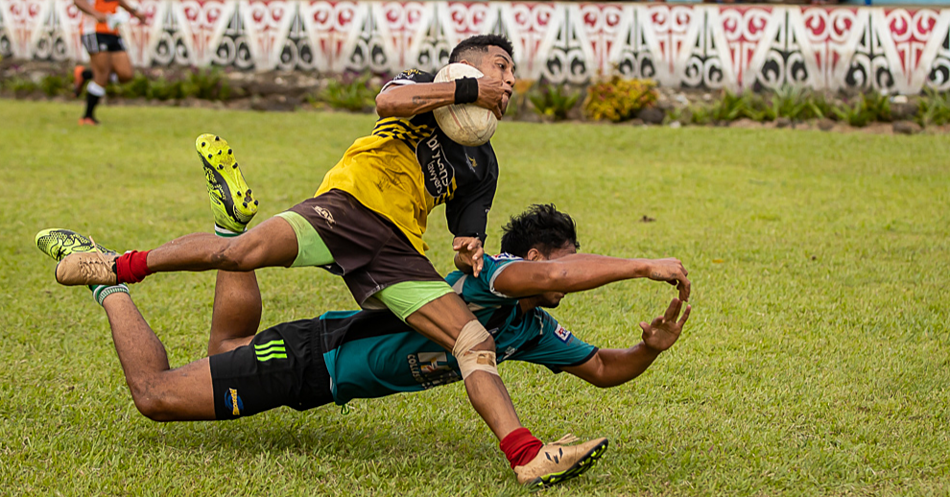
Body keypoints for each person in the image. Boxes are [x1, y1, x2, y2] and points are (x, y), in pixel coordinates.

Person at [47, 34, 691, 482]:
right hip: (348, 209)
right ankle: (115, 269)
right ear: (463, 67)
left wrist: (469, 243)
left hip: (398, 252)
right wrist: (462, 87)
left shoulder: (483, 165)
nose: (508, 81)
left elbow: (471, 236)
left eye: (510, 76)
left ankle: (525, 455)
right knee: (242, 255)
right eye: (500, 68)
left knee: (473, 339)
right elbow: (388, 102)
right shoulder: (422, 91)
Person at [35, 204, 690, 488]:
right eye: (567, 260)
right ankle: (104, 279)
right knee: (155, 396)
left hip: (316, 369)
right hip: (311, 358)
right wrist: (642, 265)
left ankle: (231, 231)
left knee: (227, 345)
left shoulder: (532, 330)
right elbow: (551, 278)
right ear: (536, 258)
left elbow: (601, 367)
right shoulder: (491, 275)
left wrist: (652, 349)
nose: (573, 275)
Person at [72, 0, 147, 125]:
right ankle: (87, 117)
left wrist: (134, 11)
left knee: (126, 74)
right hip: (93, 31)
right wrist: (95, 14)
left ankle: (85, 74)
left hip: (112, 31)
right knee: (102, 76)